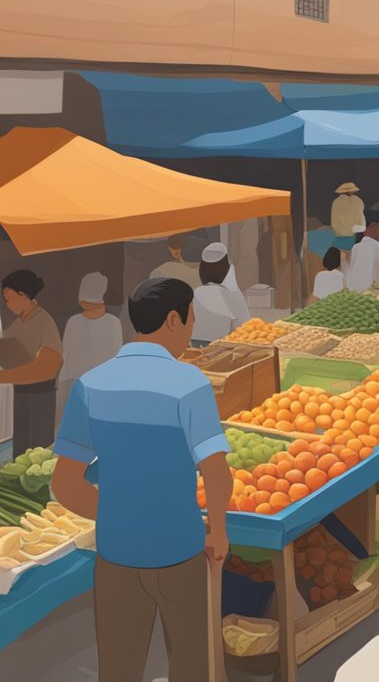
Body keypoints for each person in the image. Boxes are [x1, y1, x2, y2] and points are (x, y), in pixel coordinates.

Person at [50, 277, 232, 682]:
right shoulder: (190, 385)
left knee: (118, 669)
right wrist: (217, 531)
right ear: (173, 320)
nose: (190, 330)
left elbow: (65, 484)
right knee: (193, 667)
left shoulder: (90, 385)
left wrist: (119, 515)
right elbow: (217, 473)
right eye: (190, 321)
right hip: (181, 552)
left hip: (116, 556)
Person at [0, 270, 64, 454]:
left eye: (9, 297)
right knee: (20, 448)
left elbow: (48, 368)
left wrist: (3, 376)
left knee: (38, 450)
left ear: (23, 294)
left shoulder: (44, 322)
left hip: (40, 396)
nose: (7, 303)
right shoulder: (17, 324)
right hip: (21, 393)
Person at [57, 273, 123, 423]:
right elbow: (65, 356)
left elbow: (115, 359)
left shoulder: (112, 323)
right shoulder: (74, 322)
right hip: (75, 385)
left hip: (99, 387)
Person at [191, 243, 251, 345]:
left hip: (196, 346)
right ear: (225, 268)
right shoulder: (229, 293)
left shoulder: (197, 292)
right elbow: (247, 326)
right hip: (223, 348)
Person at [346, 222, 379, 293]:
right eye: (375, 228)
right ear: (366, 229)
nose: (378, 232)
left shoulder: (356, 247)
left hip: (355, 290)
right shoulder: (377, 246)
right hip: (374, 290)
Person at [330, 182, 365, 251]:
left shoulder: (335, 202)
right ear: (351, 192)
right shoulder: (356, 201)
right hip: (352, 237)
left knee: (340, 258)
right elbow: (361, 221)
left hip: (337, 237)